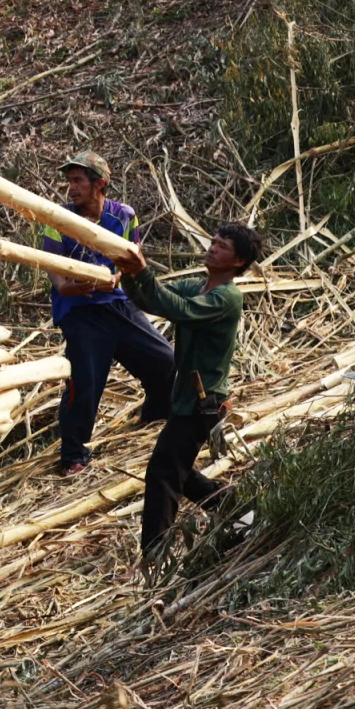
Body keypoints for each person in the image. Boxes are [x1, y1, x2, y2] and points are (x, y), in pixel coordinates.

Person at [115, 221, 267, 558]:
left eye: (222, 246)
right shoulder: (197, 286)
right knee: (178, 474)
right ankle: (246, 514)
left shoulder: (227, 297)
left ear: (238, 261)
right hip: (186, 397)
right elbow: (154, 300)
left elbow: (179, 310)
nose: (212, 248)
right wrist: (130, 273)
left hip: (204, 400)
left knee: (162, 474)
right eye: (212, 242)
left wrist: (143, 273)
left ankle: (157, 555)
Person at [40, 151, 175, 478]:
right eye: (69, 181)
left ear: (100, 184)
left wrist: (118, 277)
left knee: (165, 361)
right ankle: (73, 454)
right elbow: (51, 267)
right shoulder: (59, 219)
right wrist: (66, 287)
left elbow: (133, 257)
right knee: (83, 384)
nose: (71, 188)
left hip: (116, 303)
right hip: (79, 311)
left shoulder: (124, 216)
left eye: (78, 181)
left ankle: (156, 413)